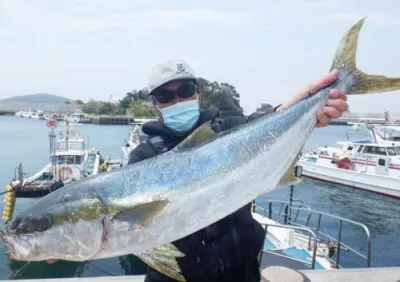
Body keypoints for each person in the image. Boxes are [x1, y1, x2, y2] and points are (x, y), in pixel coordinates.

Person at [126, 59, 348, 282]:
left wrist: (310, 103)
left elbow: (270, 121)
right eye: (165, 97)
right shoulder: (144, 158)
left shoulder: (230, 132)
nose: (178, 100)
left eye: (185, 91)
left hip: (241, 274)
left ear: (198, 94)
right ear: (155, 104)